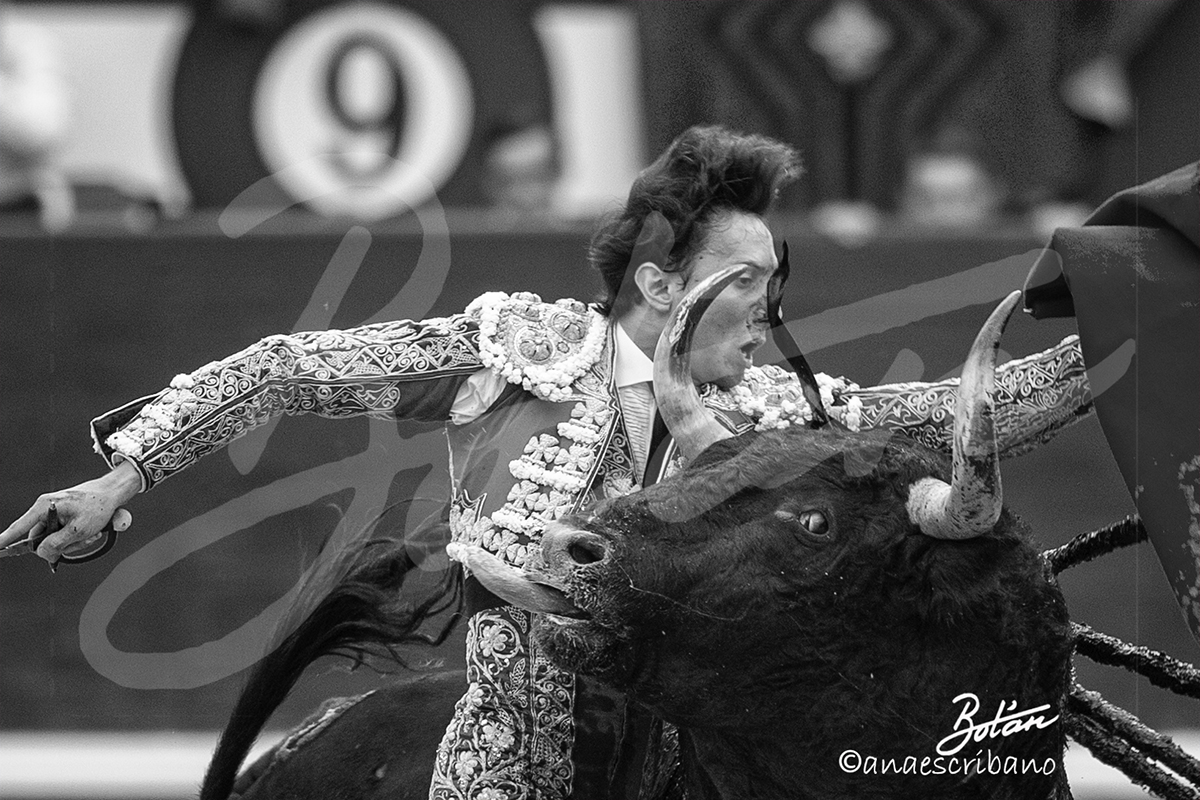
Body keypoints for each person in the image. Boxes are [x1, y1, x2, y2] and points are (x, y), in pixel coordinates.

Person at [0, 125, 1092, 798]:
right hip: (508, 762)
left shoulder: (779, 416)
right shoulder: (516, 353)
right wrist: (122, 474)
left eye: (777, 281)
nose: (773, 311)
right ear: (661, 285)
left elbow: (973, 411)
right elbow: (288, 369)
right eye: (751, 283)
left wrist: (1138, 324)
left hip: (694, 763)